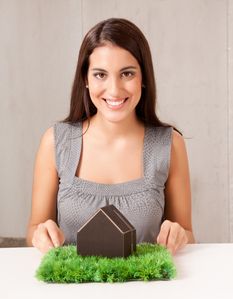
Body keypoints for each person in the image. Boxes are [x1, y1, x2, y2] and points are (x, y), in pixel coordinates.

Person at [26, 18, 195, 255]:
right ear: (85, 79)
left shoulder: (170, 145)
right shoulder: (55, 142)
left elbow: (187, 232)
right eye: (100, 75)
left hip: (148, 290)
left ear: (143, 77)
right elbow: (34, 230)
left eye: (126, 73)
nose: (114, 90)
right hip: (71, 291)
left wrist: (179, 235)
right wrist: (40, 235)